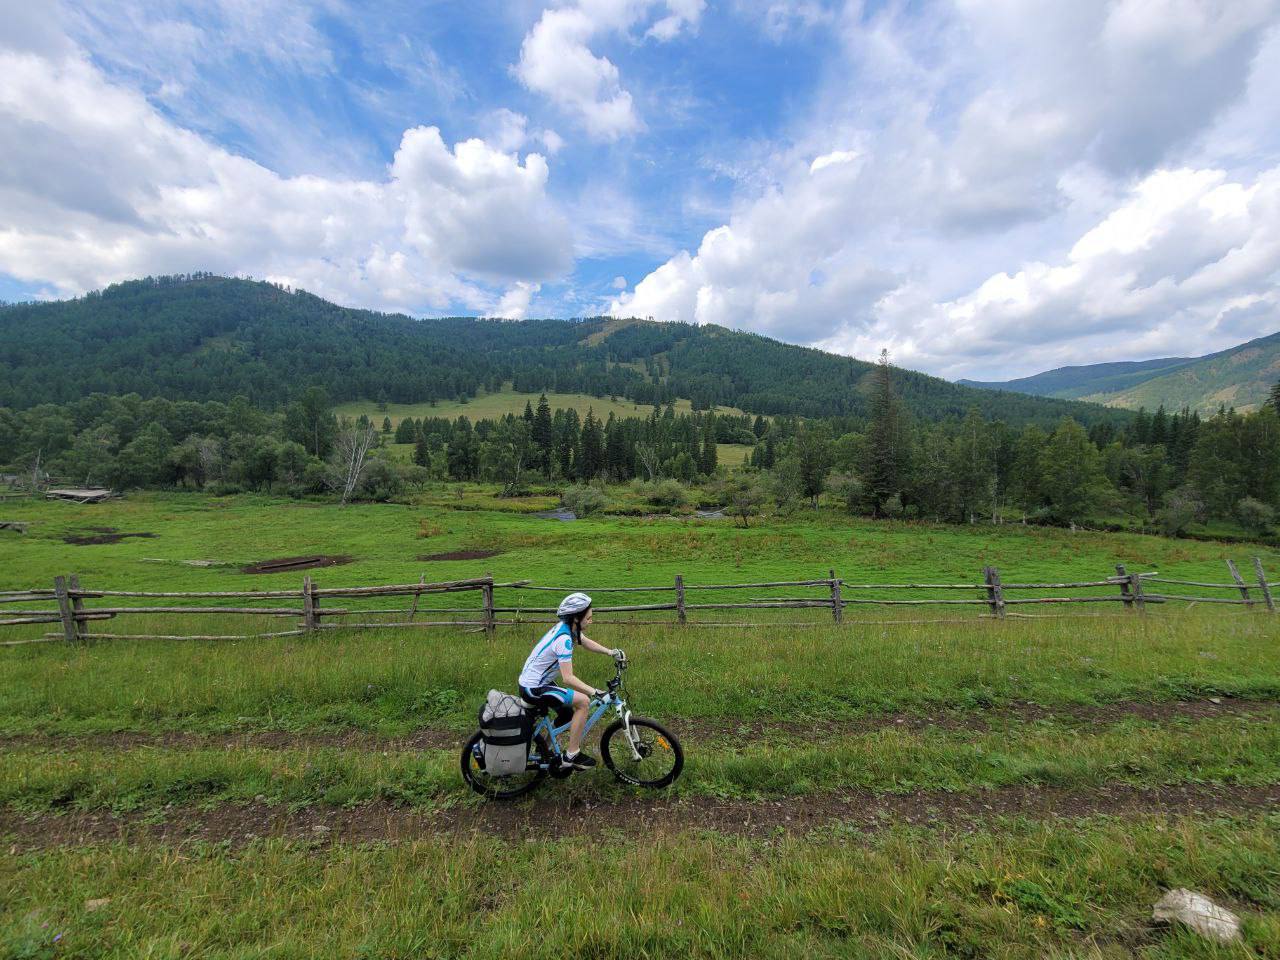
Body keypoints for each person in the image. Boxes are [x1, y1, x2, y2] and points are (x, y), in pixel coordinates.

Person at [518, 592, 624, 770]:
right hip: (533, 688)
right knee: (583, 702)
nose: (591, 621)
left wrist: (610, 652)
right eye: (588, 618)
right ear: (576, 618)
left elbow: (584, 641)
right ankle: (571, 755)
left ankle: (544, 747)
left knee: (567, 712)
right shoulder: (564, 639)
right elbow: (568, 678)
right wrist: (594, 692)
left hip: (536, 682)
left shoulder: (568, 628)